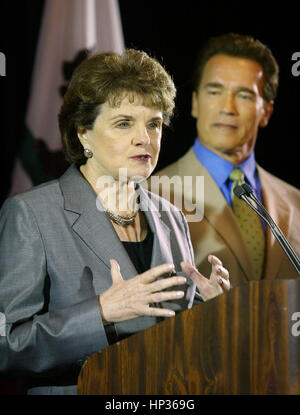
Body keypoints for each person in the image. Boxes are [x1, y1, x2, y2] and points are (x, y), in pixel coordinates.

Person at [0, 49, 230, 395]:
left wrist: (210, 313)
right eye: (124, 123)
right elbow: (7, 346)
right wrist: (100, 313)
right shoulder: (32, 215)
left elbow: (176, 337)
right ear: (83, 134)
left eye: (153, 123)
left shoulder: (171, 217)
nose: (145, 138)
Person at [151, 33, 300, 286]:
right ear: (195, 103)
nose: (228, 107)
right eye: (214, 91)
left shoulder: (297, 202)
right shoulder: (151, 195)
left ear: (266, 111)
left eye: (244, 95)